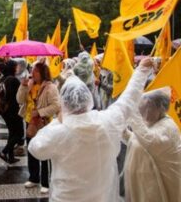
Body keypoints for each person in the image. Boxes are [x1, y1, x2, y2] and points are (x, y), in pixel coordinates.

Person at [28, 57, 154, 202]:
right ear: (88, 98)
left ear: (64, 102)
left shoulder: (58, 132)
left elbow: (35, 148)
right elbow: (129, 98)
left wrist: (57, 121)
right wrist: (142, 70)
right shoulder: (107, 121)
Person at [124, 88, 181, 202]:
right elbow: (137, 141)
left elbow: (150, 141)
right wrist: (123, 132)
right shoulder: (149, 122)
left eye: (148, 107)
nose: (143, 111)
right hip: (141, 183)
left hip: (156, 188)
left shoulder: (168, 127)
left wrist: (133, 116)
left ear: (160, 108)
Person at [17, 62, 61, 194]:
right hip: (29, 122)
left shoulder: (50, 87)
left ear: (42, 73)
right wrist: (23, 87)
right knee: (31, 150)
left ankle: (45, 181)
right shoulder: (29, 84)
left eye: (35, 71)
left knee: (44, 152)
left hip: (43, 123)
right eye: (32, 71)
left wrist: (40, 112)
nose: (32, 74)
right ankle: (33, 177)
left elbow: (56, 106)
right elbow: (19, 100)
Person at [0, 59, 24, 164]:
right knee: (19, 134)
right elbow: (16, 97)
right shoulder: (13, 80)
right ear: (12, 68)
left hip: (5, 111)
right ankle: (4, 152)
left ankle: (11, 157)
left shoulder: (3, 78)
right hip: (13, 111)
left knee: (12, 133)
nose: (17, 68)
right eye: (16, 66)